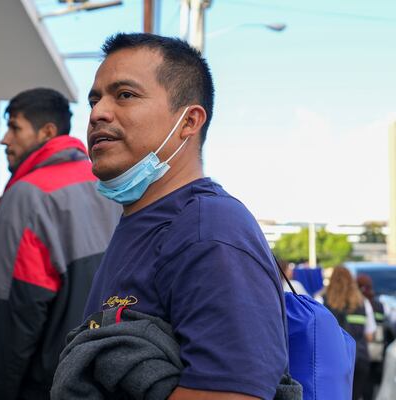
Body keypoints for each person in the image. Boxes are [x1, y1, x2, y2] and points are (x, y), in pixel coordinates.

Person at [80, 33, 287, 399]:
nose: (98, 112)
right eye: (95, 99)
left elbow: (231, 393)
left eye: (124, 95)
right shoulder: (141, 222)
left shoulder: (210, 229)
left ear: (189, 121)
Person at [0, 88, 120, 400]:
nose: (5, 140)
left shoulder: (28, 195)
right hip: (106, 377)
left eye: (15, 127)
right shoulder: (109, 186)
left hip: (47, 385)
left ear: (47, 132)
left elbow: (11, 314)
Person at [325, 266, 373, 400]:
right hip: (360, 359)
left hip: (333, 360)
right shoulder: (363, 303)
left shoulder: (322, 300)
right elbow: (370, 335)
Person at [357, 274, 386, 400]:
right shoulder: (379, 305)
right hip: (376, 353)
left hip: (361, 351)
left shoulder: (357, 304)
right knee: (370, 387)